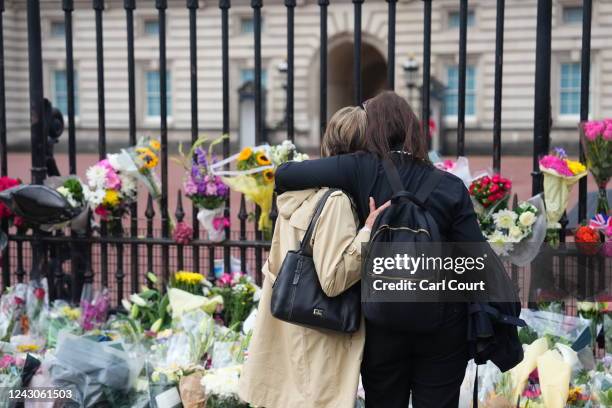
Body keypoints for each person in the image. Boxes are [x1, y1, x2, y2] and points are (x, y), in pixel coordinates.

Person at [274, 91, 487, 408]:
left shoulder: (359, 168)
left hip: (382, 321)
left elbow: (285, 175)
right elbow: (476, 261)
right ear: (413, 129)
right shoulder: (450, 185)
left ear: (371, 130)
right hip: (442, 323)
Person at [239, 106, 389, 408]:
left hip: (293, 328)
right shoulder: (335, 201)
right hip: (321, 333)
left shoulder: (300, 193)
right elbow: (333, 279)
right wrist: (367, 233)